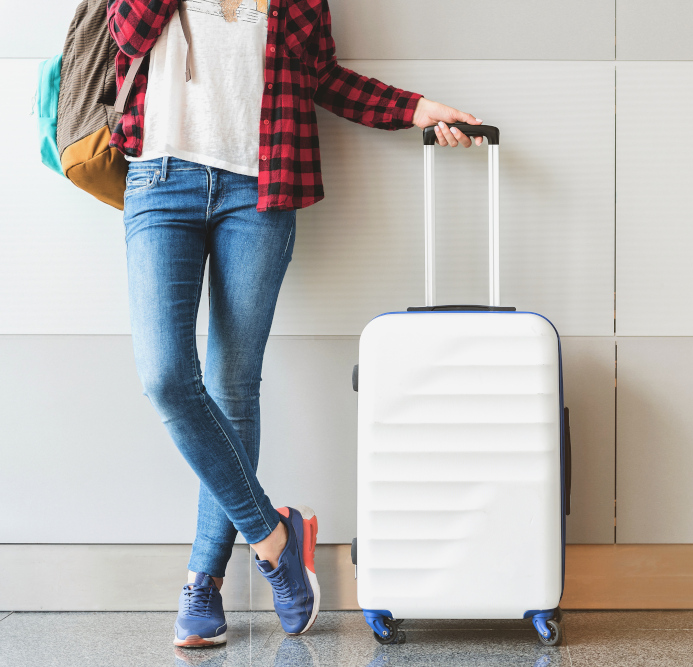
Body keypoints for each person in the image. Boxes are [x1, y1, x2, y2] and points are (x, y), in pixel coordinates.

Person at [106, 0, 481, 647]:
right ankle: (275, 536)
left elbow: (323, 77)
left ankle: (203, 581)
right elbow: (127, 31)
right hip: (161, 178)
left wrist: (412, 108)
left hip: (260, 191)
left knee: (232, 386)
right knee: (167, 376)